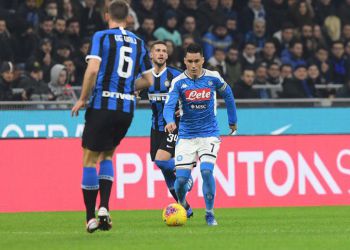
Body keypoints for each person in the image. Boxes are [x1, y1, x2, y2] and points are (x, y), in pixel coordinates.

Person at [71, 0, 153, 233]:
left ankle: (90, 218)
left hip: (103, 104)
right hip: (126, 110)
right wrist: (128, 88)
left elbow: (93, 69)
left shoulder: (101, 37)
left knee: (89, 159)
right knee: (107, 156)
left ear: (107, 15)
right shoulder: (139, 42)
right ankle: (105, 207)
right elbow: (149, 80)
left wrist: (83, 98)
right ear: (128, 18)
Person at [163, 43, 237, 226]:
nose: (194, 65)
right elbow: (169, 106)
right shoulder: (178, 82)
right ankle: (183, 205)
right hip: (186, 135)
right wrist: (169, 120)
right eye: (190, 61)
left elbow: (228, 94)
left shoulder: (213, 78)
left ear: (203, 60)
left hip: (209, 134)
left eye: (197, 61)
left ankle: (209, 213)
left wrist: (232, 120)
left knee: (206, 170)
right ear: (185, 61)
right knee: (180, 181)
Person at [145, 41, 193, 218]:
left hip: (174, 126)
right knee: (165, 170)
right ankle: (185, 206)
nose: (161, 53)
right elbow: (134, 92)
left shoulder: (176, 76)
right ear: (151, 55)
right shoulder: (144, 78)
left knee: (161, 160)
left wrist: (185, 108)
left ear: (167, 55)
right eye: (157, 50)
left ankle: (186, 172)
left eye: (164, 51)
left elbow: (192, 93)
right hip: (155, 127)